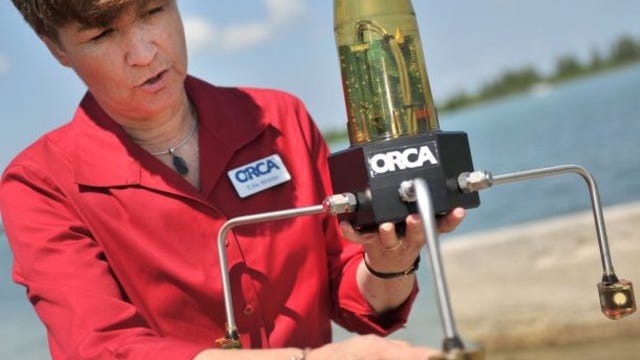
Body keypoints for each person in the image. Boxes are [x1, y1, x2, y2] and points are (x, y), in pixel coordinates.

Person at [0, 1, 465, 359]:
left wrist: (391, 259)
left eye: (153, 11)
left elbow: (352, 294)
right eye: (102, 34)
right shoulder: (40, 184)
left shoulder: (281, 120)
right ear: (56, 47)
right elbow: (101, 348)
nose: (143, 54)